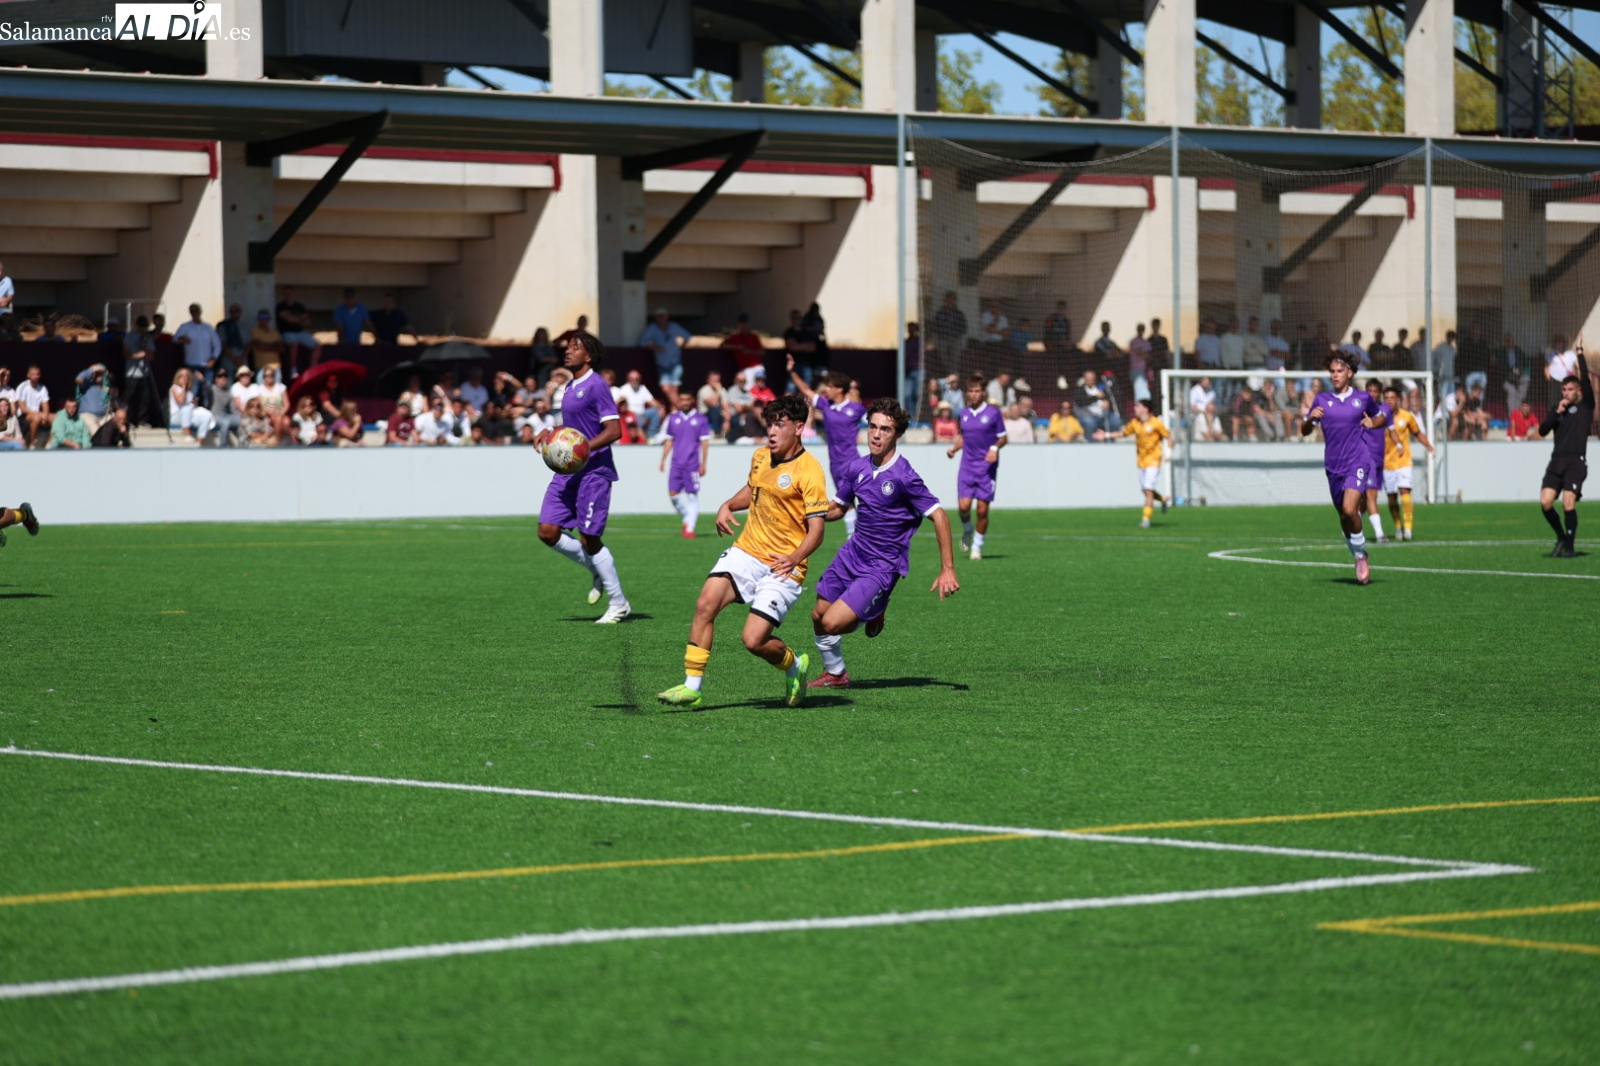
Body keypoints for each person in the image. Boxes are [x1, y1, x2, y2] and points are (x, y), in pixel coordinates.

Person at [656, 393, 825, 709]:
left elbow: (817, 531)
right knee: (706, 602)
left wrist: (794, 558)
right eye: (770, 424)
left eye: (780, 424)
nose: (772, 431)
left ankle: (793, 665)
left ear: (799, 428)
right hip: (747, 551)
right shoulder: (761, 456)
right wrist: (728, 504)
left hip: (784, 564)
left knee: (753, 640)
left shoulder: (810, 471)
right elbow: (754, 488)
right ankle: (692, 687)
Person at [807, 398, 961, 688]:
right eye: (873, 427)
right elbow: (839, 508)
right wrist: (806, 514)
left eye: (885, 430)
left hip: (882, 565)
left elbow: (939, 516)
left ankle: (875, 609)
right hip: (852, 553)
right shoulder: (856, 468)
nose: (876, 435)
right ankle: (836, 673)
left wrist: (947, 569)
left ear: (897, 435)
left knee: (832, 623)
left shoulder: (904, 477)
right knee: (818, 614)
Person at [533, 331, 631, 623]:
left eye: (576, 347)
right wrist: (551, 432)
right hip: (568, 471)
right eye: (567, 346)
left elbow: (615, 430)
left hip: (593, 472)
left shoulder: (597, 385)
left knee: (590, 537)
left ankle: (619, 602)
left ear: (589, 356)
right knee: (547, 532)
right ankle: (595, 569)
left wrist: (585, 447)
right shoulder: (570, 386)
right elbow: (573, 427)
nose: (568, 350)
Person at [1300, 354, 1388, 585]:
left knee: (1351, 510)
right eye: (1332, 371)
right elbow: (1304, 430)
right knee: (1343, 516)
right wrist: (1310, 421)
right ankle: (1357, 550)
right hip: (1333, 466)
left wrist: (1372, 423)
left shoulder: (1363, 398)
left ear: (1350, 373)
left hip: (1358, 461)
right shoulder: (1322, 399)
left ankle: (1361, 556)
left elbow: (1381, 418)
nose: (1335, 375)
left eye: (1339, 371)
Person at [787, 354, 865, 535]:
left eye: (830, 386)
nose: (826, 389)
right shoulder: (826, 405)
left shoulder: (857, 409)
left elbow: (877, 421)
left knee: (858, 500)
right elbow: (806, 390)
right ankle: (852, 538)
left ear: (840, 389)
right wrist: (792, 372)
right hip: (836, 464)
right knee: (845, 504)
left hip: (853, 462)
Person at [1537, 340, 1593, 558]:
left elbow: (1586, 380)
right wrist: (1556, 412)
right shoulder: (1558, 409)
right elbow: (1542, 431)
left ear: (1578, 391)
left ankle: (1570, 547)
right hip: (1556, 463)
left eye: (1570, 389)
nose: (1566, 393)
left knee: (1568, 501)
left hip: (1576, 463)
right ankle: (1561, 536)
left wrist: (1580, 353)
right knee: (1545, 502)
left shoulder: (1585, 406)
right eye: (1563, 390)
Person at [947, 373, 1006, 561]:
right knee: (963, 507)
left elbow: (1003, 437)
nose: (974, 394)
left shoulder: (993, 413)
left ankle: (976, 548)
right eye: (971, 391)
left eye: (977, 391)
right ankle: (967, 529)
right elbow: (964, 437)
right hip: (967, 466)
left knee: (982, 510)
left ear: (983, 393)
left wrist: (995, 448)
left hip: (986, 467)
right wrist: (955, 449)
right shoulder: (963, 414)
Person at [1381, 384, 1434, 541]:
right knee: (1391, 498)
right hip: (1386, 464)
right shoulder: (1379, 417)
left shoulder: (1407, 416)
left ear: (1398, 399)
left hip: (1404, 462)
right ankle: (1398, 526)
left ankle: (1408, 529)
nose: (1389, 401)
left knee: (1405, 493)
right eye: (1386, 398)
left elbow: (1418, 433)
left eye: (1392, 398)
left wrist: (1429, 446)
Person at [660, 391, 712, 538]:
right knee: (673, 495)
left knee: (692, 496)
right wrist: (663, 459)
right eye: (681, 399)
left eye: (687, 399)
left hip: (692, 464)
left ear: (692, 400)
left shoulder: (701, 419)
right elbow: (669, 440)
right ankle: (687, 518)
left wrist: (704, 463)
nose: (684, 402)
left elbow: (704, 442)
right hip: (676, 464)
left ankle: (690, 529)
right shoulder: (673, 418)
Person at [1120, 398, 1172, 527]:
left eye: (1137, 406)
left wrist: (1168, 453)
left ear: (1146, 409)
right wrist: (1107, 435)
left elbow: (1169, 437)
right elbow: (1124, 433)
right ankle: (1163, 499)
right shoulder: (1135, 423)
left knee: (1148, 491)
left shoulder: (1156, 423)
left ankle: (1146, 520)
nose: (1135, 409)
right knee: (1146, 490)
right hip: (1141, 461)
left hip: (1154, 460)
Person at [1360, 378, 1394, 542]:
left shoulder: (1384, 409)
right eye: (1369, 391)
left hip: (1380, 458)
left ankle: (1350, 526)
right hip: (1366, 458)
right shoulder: (1359, 409)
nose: (1372, 394)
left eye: (1375, 391)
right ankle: (1380, 534)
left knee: (1368, 497)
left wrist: (1399, 445)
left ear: (1379, 393)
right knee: (1371, 494)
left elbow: (1386, 425)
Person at [638, 308, 689, 407]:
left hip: (676, 362)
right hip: (662, 364)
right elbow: (642, 342)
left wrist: (680, 347)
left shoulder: (674, 327)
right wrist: (655, 347)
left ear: (667, 317)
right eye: (659, 316)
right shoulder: (652, 328)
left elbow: (687, 337)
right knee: (665, 388)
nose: (661, 318)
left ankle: (675, 410)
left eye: (663, 316)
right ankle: (680, 408)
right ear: (656, 318)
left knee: (674, 388)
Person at [275, 286, 320, 373]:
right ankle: (293, 369)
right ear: (283, 295)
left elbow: (307, 322)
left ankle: (313, 367)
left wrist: (295, 319)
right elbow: (288, 319)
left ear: (294, 294)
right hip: (286, 333)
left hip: (300, 332)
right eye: (286, 293)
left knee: (317, 345)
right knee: (294, 343)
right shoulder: (280, 306)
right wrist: (300, 319)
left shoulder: (300, 306)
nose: (288, 295)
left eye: (290, 293)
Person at [174, 303, 222, 383]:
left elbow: (217, 345)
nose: (194, 313)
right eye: (192, 311)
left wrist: (214, 358)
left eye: (196, 311)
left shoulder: (208, 327)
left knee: (207, 390)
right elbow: (175, 338)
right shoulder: (185, 326)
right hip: (192, 365)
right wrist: (182, 338)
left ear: (200, 311)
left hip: (207, 365)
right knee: (193, 391)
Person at [15, 364, 51, 448]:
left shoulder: (42, 388)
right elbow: (23, 408)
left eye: (37, 374)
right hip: (24, 416)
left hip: (38, 413)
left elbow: (45, 405)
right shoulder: (22, 387)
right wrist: (38, 414)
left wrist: (45, 416)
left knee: (55, 417)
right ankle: (32, 443)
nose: (36, 376)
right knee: (36, 418)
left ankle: (50, 444)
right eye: (33, 374)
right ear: (28, 375)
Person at [697, 370, 730, 437]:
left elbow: (726, 406)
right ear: (708, 380)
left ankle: (731, 439)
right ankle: (717, 433)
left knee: (734, 420)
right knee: (714, 409)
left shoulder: (722, 390)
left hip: (719, 414)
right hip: (705, 414)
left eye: (717, 380)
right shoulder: (704, 390)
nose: (716, 383)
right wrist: (718, 391)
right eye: (714, 380)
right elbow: (712, 404)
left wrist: (727, 421)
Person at [217, 303, 247, 375]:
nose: (234, 313)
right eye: (232, 311)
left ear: (240, 312)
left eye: (237, 311)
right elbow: (223, 344)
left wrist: (241, 358)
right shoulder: (223, 326)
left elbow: (248, 344)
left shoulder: (245, 326)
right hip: (229, 361)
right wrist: (234, 359)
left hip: (242, 360)